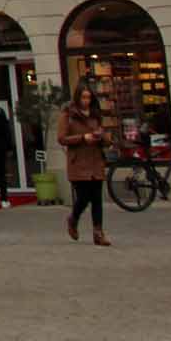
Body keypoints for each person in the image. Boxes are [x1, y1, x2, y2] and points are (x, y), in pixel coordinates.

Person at [58, 82, 111, 247]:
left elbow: (105, 138)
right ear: (77, 97)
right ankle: (73, 218)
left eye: (89, 97)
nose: (86, 101)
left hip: (95, 160)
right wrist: (82, 138)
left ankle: (98, 233)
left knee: (96, 198)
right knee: (83, 197)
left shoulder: (95, 115)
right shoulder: (68, 115)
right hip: (78, 162)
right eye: (83, 97)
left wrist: (101, 137)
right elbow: (62, 138)